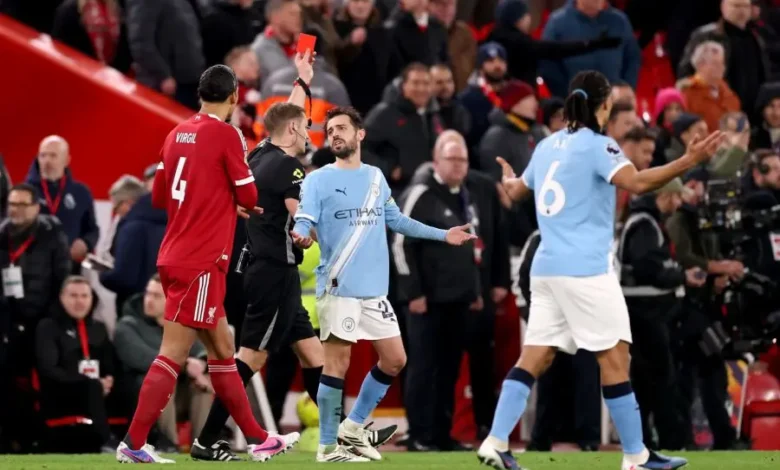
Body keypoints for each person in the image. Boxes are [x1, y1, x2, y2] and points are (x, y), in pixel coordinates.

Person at [475, 70, 724, 470]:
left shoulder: (547, 144)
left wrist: (507, 179)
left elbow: (517, 190)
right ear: (605, 105)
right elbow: (637, 183)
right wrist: (687, 161)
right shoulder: (599, 146)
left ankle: (495, 440)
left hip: (546, 269)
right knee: (615, 358)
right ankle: (636, 456)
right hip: (586, 270)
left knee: (535, 357)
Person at [115, 58, 312, 463]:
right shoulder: (227, 135)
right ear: (235, 96)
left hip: (176, 254)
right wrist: (229, 202)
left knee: (223, 352)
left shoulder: (175, 133)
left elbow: (160, 196)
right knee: (173, 354)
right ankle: (133, 443)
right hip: (201, 260)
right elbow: (250, 196)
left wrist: (215, 200)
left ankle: (259, 439)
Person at [291, 106, 476, 462]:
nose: (335, 134)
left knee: (395, 360)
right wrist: (300, 233)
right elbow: (304, 218)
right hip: (338, 285)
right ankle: (328, 447)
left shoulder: (376, 177)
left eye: (342, 128)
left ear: (360, 134)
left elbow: (399, 221)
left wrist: (443, 234)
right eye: (330, 131)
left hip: (374, 290)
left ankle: (352, 428)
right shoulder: (318, 180)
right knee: (337, 364)